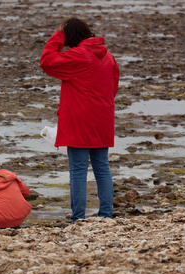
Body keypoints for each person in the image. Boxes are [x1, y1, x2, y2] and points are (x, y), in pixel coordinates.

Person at [40, 17, 120, 222]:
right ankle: (106, 214)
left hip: (79, 121)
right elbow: (113, 87)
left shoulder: (77, 56)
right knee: (102, 167)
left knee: (78, 170)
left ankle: (78, 217)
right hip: (103, 119)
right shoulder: (108, 57)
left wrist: (58, 35)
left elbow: (47, 61)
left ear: (69, 36)